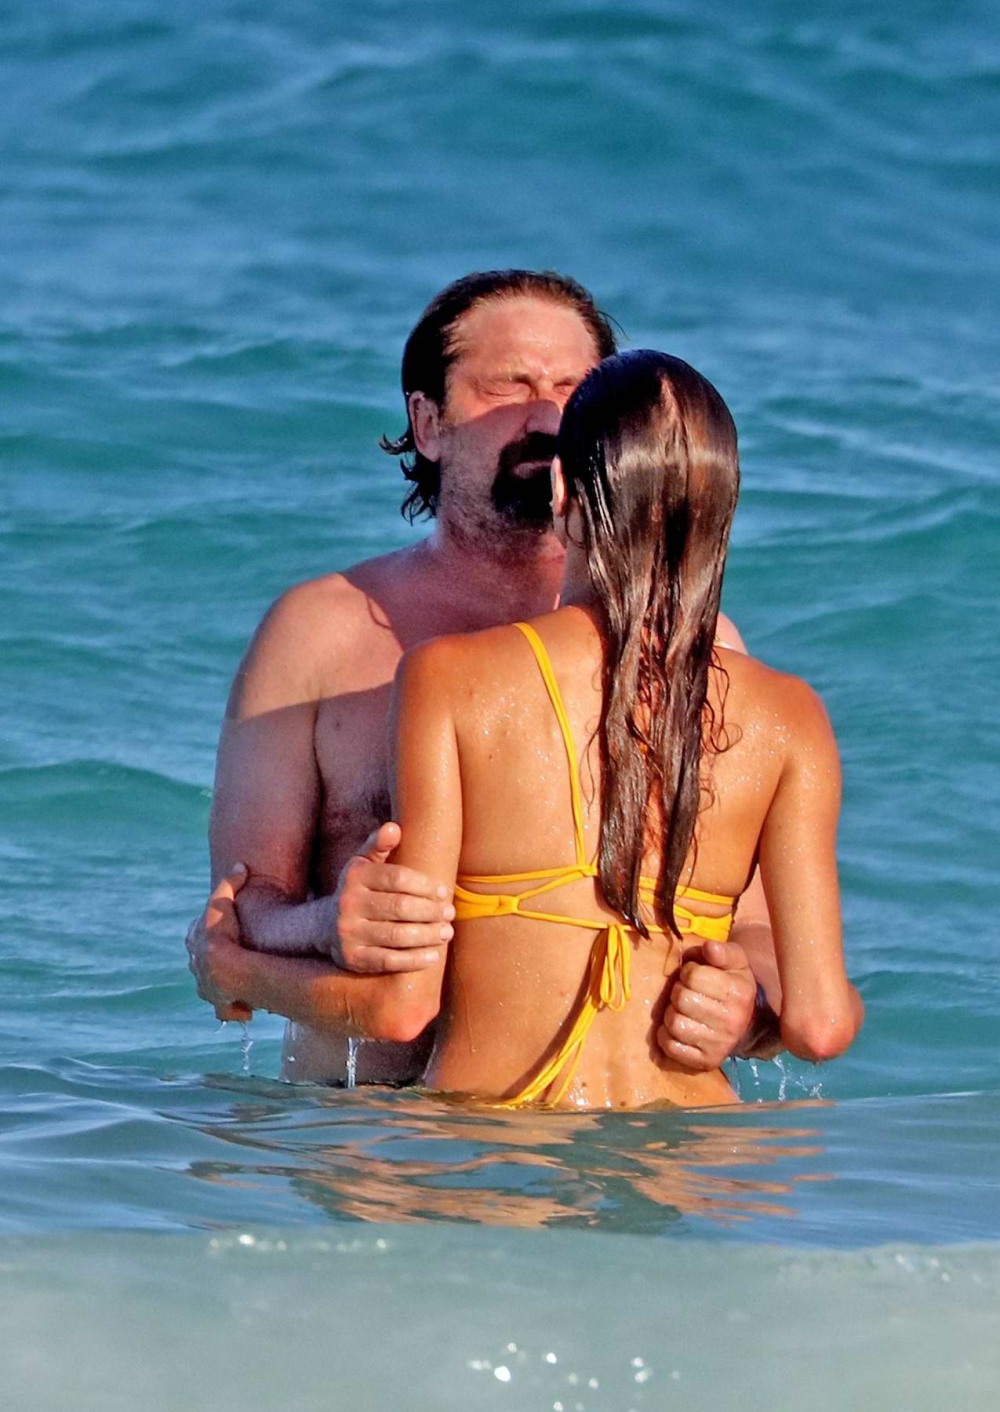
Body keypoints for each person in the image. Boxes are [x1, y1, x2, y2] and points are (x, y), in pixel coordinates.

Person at [187, 271, 781, 1085]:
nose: (548, 417)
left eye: (572, 388)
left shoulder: (696, 652)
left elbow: (761, 932)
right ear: (428, 423)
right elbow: (239, 908)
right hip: (367, 1129)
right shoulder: (318, 634)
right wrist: (328, 923)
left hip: (627, 1136)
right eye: (509, 387)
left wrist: (745, 1004)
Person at [350, 350, 863, 1107]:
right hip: (696, 1155)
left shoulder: (447, 679)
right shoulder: (791, 717)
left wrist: (242, 968)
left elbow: (402, 1007)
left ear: (562, 489)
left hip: (495, 1147)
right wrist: (743, 1016)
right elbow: (819, 1026)